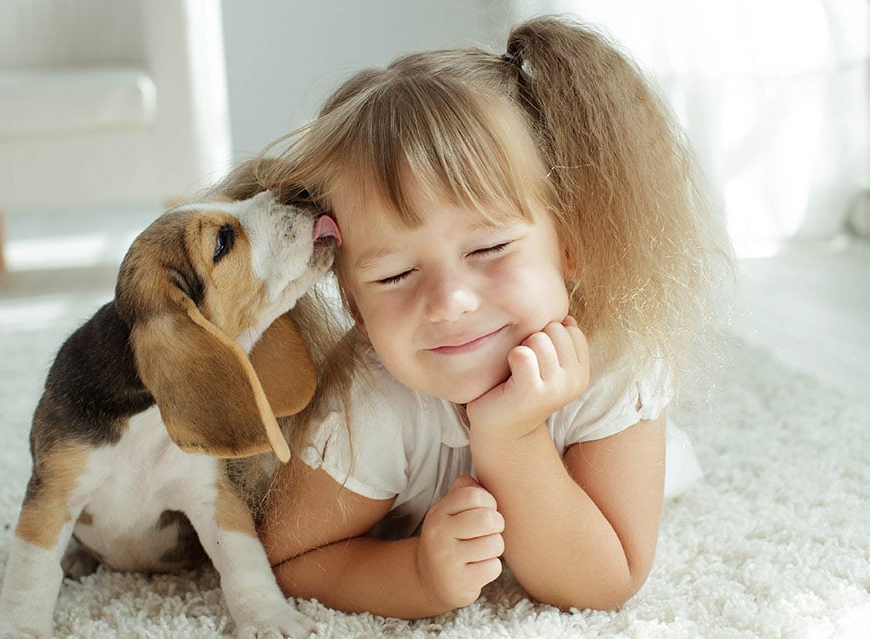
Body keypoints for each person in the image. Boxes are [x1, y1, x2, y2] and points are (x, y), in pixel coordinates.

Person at [231, 15, 731, 620]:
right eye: (393, 276)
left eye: (489, 249)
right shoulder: (373, 397)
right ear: (355, 308)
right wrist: (416, 575)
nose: (449, 301)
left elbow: (605, 581)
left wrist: (513, 438)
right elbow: (292, 559)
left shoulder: (617, 357)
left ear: (572, 239)